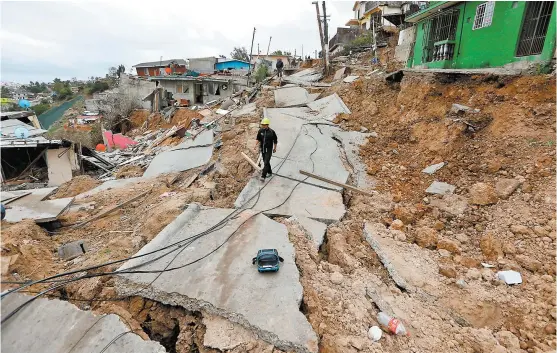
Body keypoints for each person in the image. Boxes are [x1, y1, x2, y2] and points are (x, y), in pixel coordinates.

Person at [255, 118, 278, 182]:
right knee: (266, 161)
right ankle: (270, 172)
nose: (263, 126)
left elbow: (275, 141)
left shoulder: (272, 132)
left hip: (269, 149)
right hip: (263, 149)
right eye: (262, 125)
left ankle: (263, 176)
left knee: (266, 162)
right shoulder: (260, 131)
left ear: (267, 125)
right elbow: (258, 138)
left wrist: (275, 148)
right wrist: (255, 145)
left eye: (264, 125)